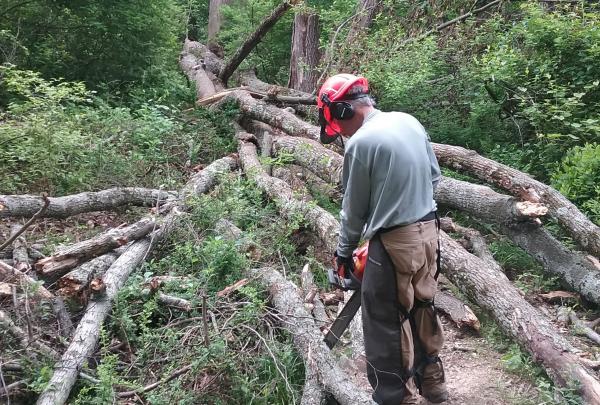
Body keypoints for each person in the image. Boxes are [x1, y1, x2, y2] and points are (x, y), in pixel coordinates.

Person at [317, 73, 448, 405]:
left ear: (346, 112)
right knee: (422, 306)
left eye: (337, 121)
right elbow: (434, 177)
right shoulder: (408, 122)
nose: (339, 131)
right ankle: (434, 385)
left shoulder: (361, 144)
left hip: (394, 244)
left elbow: (354, 210)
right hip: (429, 233)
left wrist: (343, 254)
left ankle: (394, 397)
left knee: (384, 321)